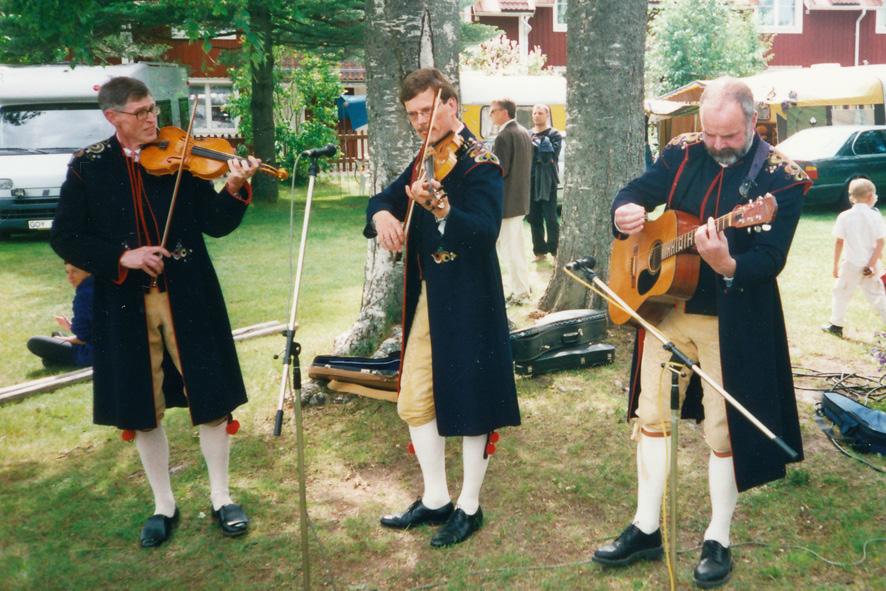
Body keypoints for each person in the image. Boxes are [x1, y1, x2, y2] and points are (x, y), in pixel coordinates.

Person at [594, 77, 810, 589]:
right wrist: (622, 212)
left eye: (728, 136)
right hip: (667, 310)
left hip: (731, 322)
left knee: (722, 430)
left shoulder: (782, 180)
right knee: (652, 417)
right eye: (709, 133)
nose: (715, 145)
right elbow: (637, 192)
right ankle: (646, 526)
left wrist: (728, 262)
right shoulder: (681, 150)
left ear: (752, 125)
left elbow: (771, 259)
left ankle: (718, 537)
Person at [50, 76, 260, 548]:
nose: (152, 120)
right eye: (140, 113)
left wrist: (235, 186)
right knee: (143, 408)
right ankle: (163, 503)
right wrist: (121, 257)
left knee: (210, 395)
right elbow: (66, 236)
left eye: (153, 110)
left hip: (190, 295)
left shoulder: (180, 159)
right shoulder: (88, 167)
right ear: (113, 117)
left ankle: (222, 497)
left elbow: (214, 224)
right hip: (123, 304)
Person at [365, 68, 520, 547]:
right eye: (412, 115)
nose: (420, 122)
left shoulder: (480, 162)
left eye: (427, 111)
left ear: (451, 102)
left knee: (473, 403)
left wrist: (445, 211)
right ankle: (436, 498)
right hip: (432, 296)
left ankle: (469, 506)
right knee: (415, 399)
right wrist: (384, 214)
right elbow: (380, 199)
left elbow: (485, 229)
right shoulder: (424, 157)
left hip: (471, 296)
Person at [821, 178, 886, 337]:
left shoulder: (844, 216)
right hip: (870, 264)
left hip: (850, 263)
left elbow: (839, 242)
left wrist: (835, 265)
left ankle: (836, 324)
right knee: (877, 296)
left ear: (851, 197)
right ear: (871, 197)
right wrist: (871, 265)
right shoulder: (875, 216)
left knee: (841, 292)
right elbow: (880, 242)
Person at [490, 98, 533, 304]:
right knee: (517, 248)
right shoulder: (523, 131)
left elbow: (500, 171)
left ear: (504, 112)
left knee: (510, 250)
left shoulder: (504, 135)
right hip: (520, 199)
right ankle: (522, 288)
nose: (491, 115)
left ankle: (520, 292)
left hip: (507, 202)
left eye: (493, 112)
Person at [27, 263, 94, 368]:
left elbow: (83, 338)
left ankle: (54, 359)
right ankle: (54, 357)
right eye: (67, 272)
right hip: (113, 347)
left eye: (75, 271)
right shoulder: (103, 286)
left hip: (94, 354)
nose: (70, 277)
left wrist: (67, 339)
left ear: (89, 271)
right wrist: (70, 327)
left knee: (34, 342)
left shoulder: (84, 295)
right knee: (56, 335)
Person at [528, 104, 561, 262]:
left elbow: (552, 155)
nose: (536, 116)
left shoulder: (554, 134)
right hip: (531, 180)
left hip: (548, 181)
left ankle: (555, 251)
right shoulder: (527, 134)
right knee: (534, 217)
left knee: (550, 218)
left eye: (540, 113)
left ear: (547, 115)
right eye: (534, 113)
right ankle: (539, 252)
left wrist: (538, 142)